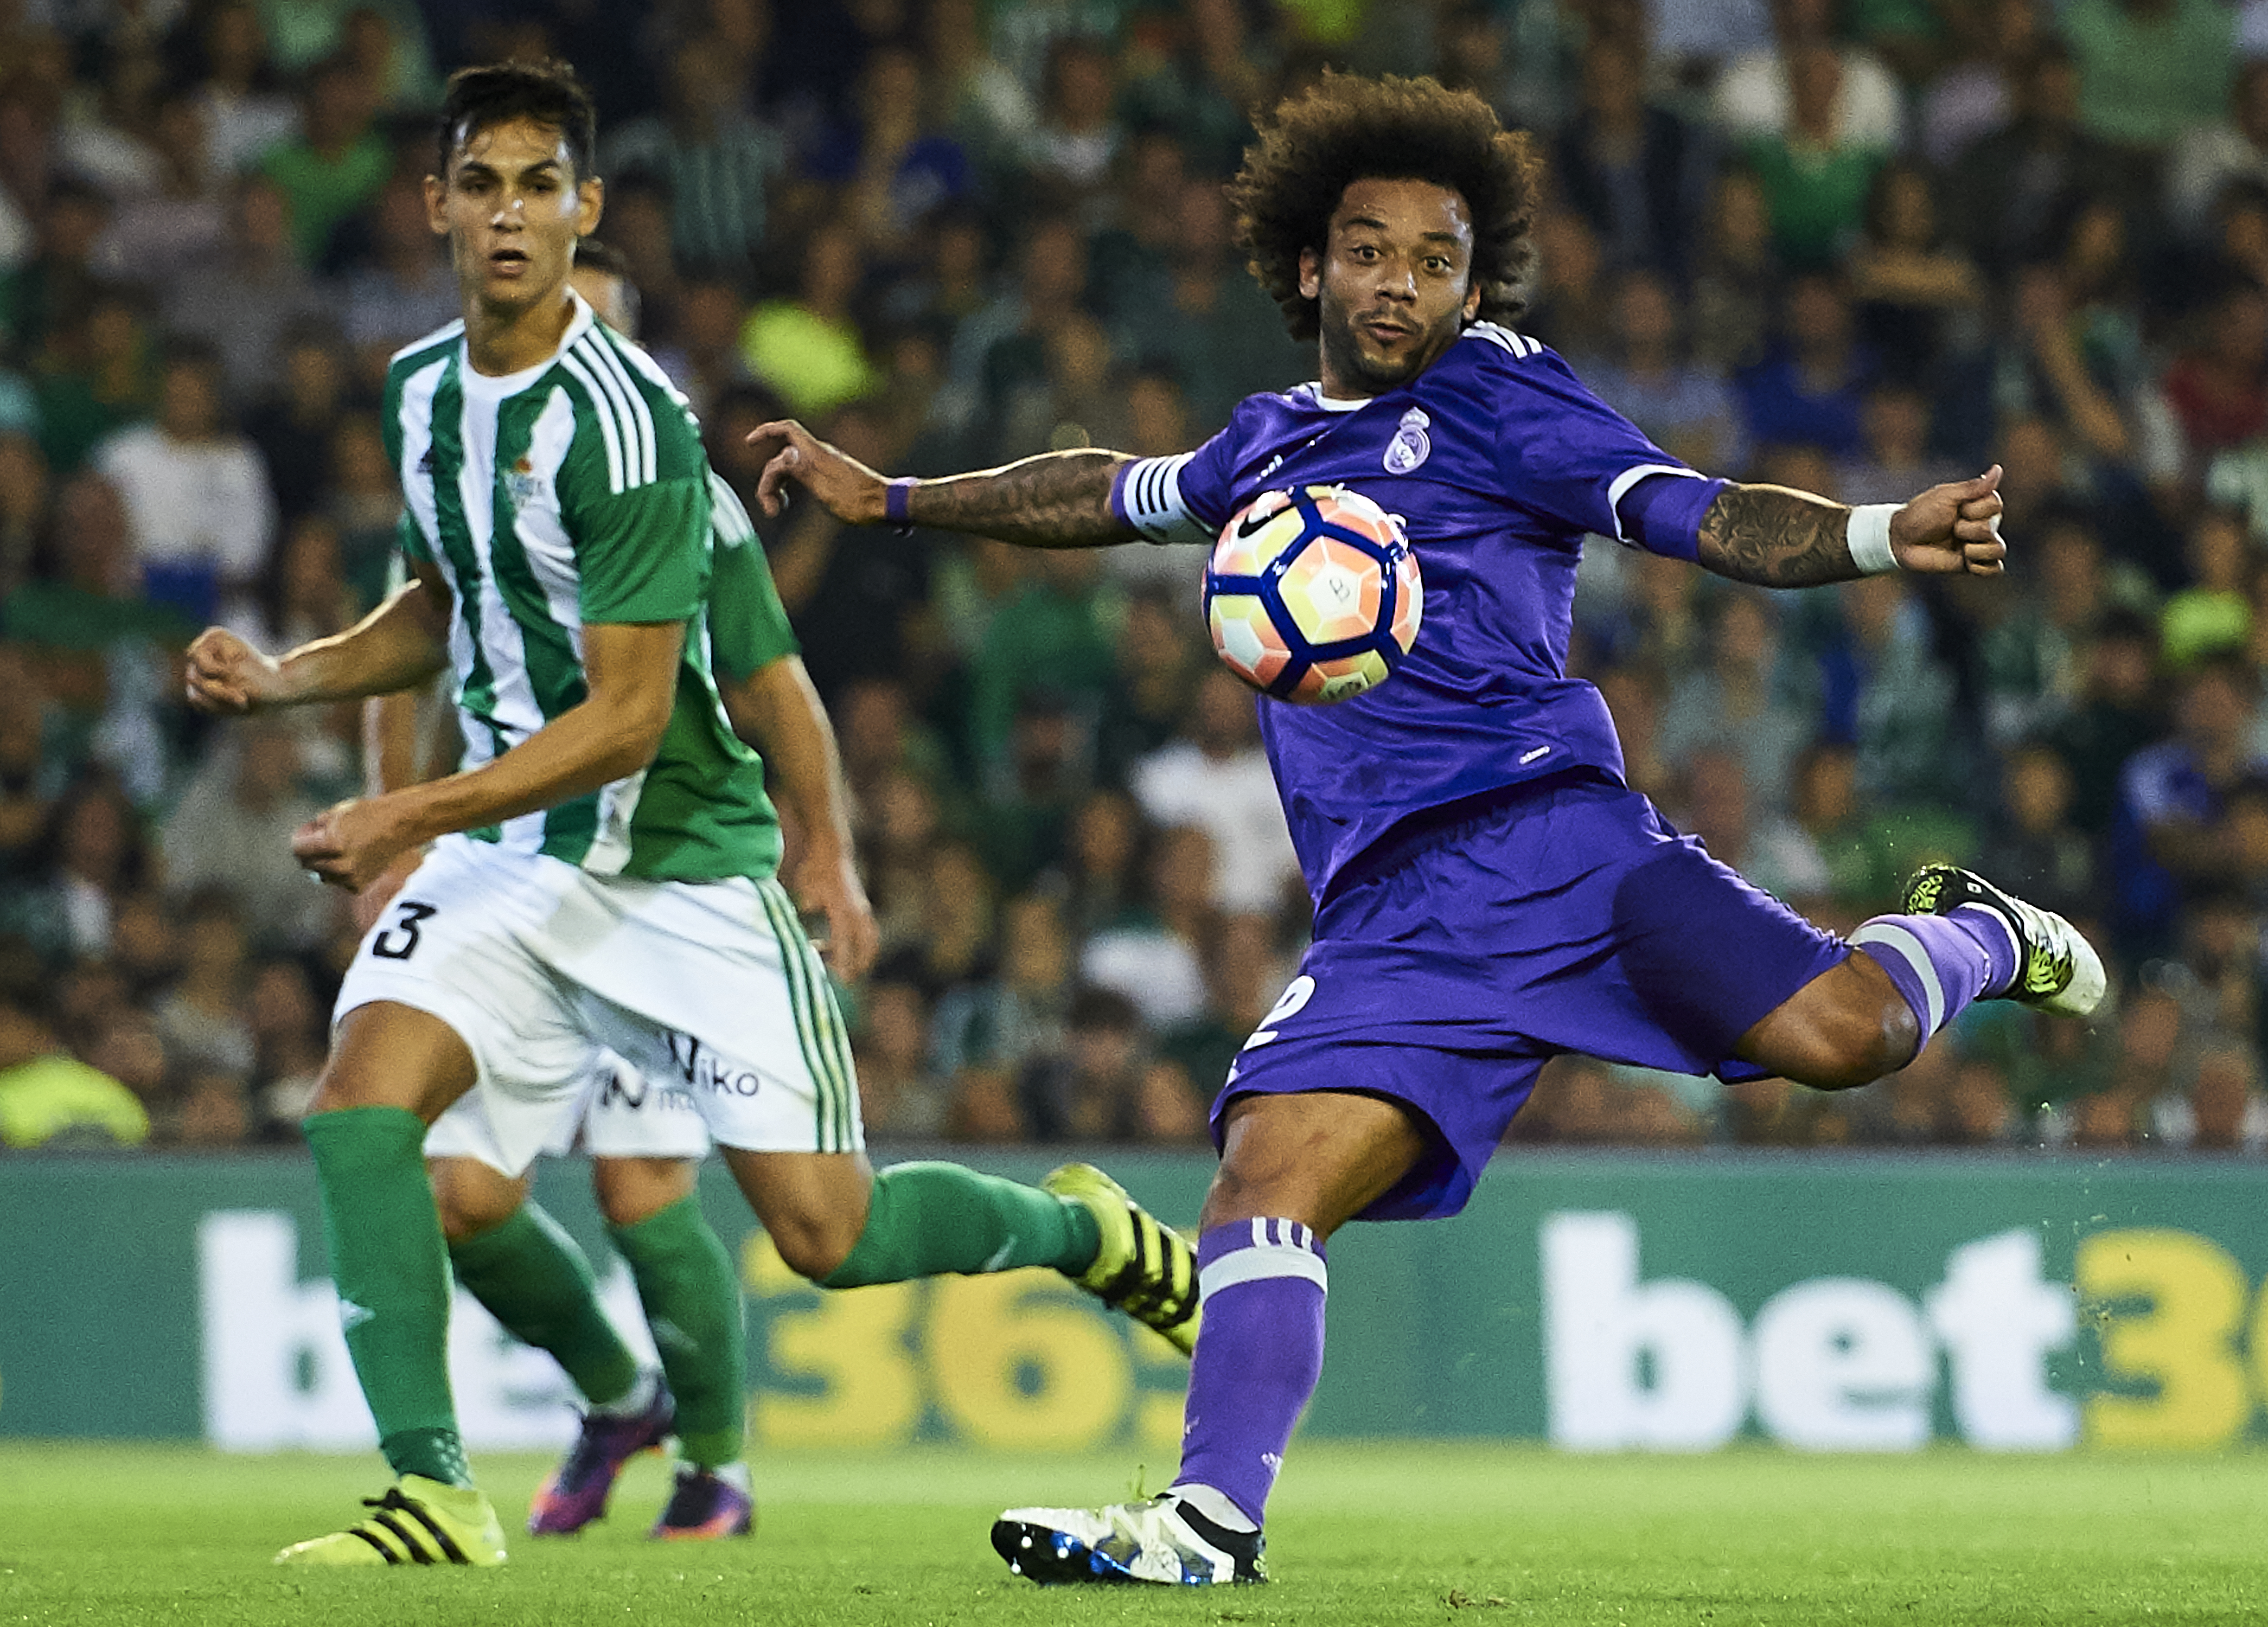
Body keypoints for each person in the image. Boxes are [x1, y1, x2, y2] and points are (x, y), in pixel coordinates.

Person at [750, 71, 2107, 1587]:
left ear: (1474, 280)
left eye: (1435, 258)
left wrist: (1871, 536)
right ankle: (1206, 1525)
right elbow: (1101, 493)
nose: (1400, 283)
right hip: (1392, 916)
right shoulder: (1262, 448)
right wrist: (894, 501)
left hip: (1562, 844)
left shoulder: (1499, 398)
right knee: (1262, 1178)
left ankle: (1976, 932)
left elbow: (1696, 512)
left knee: (1847, 1036)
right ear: (1308, 266)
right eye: (1370, 249)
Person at [182, 60, 1198, 1572]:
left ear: (583, 208)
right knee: (362, 1111)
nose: (509, 214)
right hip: (512, 862)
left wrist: (406, 801)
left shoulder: (633, 425)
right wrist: (287, 681)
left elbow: (632, 719)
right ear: (435, 206)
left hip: (672, 873)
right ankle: (434, 1492)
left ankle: (1080, 1233)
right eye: (481, 184)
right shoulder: (414, 391)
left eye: (540, 186)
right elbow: (445, 603)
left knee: (828, 1237)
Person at [354, 241, 872, 1542]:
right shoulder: (465, 472)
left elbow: (774, 684)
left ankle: (716, 1466)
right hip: (502, 883)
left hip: (660, 887)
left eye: (597, 329)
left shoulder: (685, 495)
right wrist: (397, 835)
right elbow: (408, 651)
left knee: (646, 1185)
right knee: (459, 1198)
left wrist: (831, 849)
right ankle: (618, 1394)